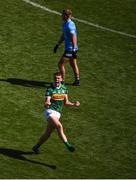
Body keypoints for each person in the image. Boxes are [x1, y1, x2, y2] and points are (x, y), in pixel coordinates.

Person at [32, 72, 80, 154]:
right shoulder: (50, 89)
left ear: (61, 79)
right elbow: (47, 101)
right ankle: (68, 145)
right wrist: (47, 103)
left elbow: (66, 102)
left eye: (58, 78)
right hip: (50, 112)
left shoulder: (64, 89)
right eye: (55, 78)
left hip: (58, 114)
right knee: (59, 126)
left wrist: (74, 104)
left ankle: (36, 147)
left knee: (48, 134)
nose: (56, 80)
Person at [53, 9, 80, 86]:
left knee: (60, 64)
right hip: (71, 49)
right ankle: (77, 80)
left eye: (63, 15)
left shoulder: (69, 25)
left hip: (70, 49)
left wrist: (74, 49)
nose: (61, 16)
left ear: (67, 16)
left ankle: (62, 82)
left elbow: (73, 36)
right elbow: (64, 35)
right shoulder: (65, 24)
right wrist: (57, 44)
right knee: (73, 64)